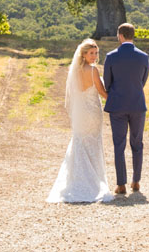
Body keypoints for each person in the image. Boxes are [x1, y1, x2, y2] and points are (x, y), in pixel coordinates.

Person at [46, 39, 114, 203]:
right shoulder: (93, 71)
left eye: (96, 53)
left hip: (80, 113)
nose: (94, 56)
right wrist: (117, 99)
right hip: (92, 113)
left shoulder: (74, 71)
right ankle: (93, 183)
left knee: (79, 143)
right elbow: (102, 93)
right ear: (83, 54)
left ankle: (76, 181)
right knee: (93, 144)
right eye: (91, 53)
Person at [103, 22, 149, 195]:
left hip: (117, 106)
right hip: (137, 104)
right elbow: (143, 81)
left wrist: (114, 92)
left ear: (120, 36)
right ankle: (136, 181)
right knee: (137, 143)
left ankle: (121, 184)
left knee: (119, 144)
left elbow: (107, 81)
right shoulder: (143, 56)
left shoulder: (111, 56)